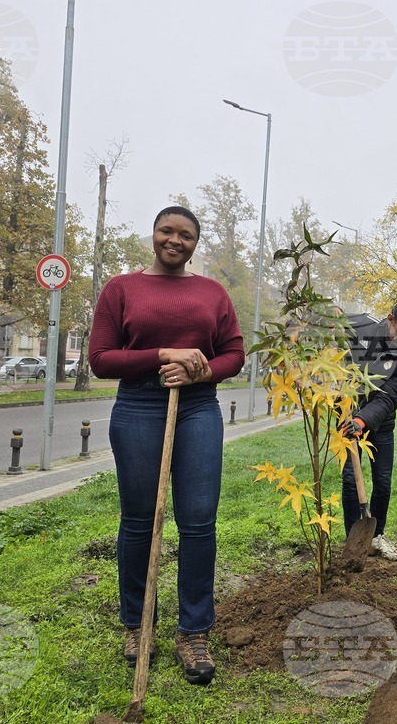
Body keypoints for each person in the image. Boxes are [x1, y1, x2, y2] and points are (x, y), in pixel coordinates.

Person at [89, 205, 245, 686]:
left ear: (196, 243)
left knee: (198, 522)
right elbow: (100, 359)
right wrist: (163, 355)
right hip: (138, 408)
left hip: (198, 408)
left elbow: (234, 353)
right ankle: (139, 625)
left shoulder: (212, 293)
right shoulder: (121, 289)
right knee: (139, 521)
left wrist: (199, 369)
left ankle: (193, 631)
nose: (175, 240)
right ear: (153, 234)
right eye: (166, 231)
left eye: (186, 235)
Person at [340, 298, 397, 560]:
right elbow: (331, 321)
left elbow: (389, 398)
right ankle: (352, 541)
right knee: (349, 481)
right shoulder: (362, 327)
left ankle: (376, 535)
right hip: (346, 417)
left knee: (383, 483)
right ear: (390, 319)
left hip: (381, 424)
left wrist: (363, 420)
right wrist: (330, 315)